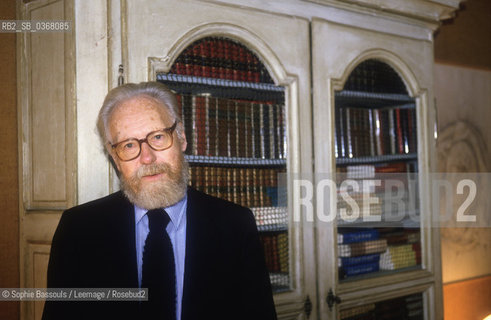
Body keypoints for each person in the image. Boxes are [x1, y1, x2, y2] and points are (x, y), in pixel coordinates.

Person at [42, 82, 277, 320]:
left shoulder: (235, 225)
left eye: (157, 136)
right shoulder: (78, 229)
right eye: (129, 145)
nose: (147, 157)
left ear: (182, 138)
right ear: (114, 157)